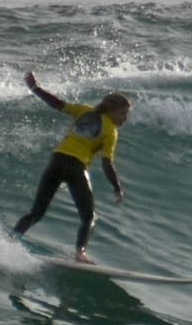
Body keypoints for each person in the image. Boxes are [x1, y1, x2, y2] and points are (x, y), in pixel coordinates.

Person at [12, 70, 131, 263]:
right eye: (123, 113)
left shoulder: (84, 110)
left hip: (56, 161)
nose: (125, 119)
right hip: (76, 167)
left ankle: (11, 240)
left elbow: (56, 103)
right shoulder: (111, 132)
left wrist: (35, 88)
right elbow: (107, 162)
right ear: (111, 110)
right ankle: (80, 253)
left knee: (36, 213)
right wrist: (117, 186)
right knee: (89, 216)